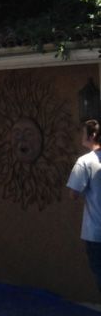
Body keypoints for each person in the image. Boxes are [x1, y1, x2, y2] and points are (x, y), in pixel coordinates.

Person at [66, 119, 101, 293]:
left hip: (96, 232)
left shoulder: (85, 162)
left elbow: (73, 193)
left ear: (92, 135)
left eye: (83, 132)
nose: (81, 136)